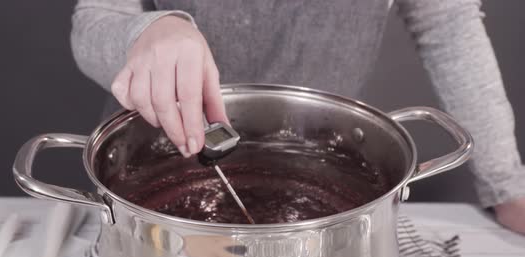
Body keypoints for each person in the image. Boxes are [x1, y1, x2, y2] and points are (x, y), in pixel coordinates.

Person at [70, 0, 525, 234]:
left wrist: (506, 185)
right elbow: (95, 18)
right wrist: (145, 31)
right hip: (153, 177)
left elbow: (446, 25)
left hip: (329, 179)